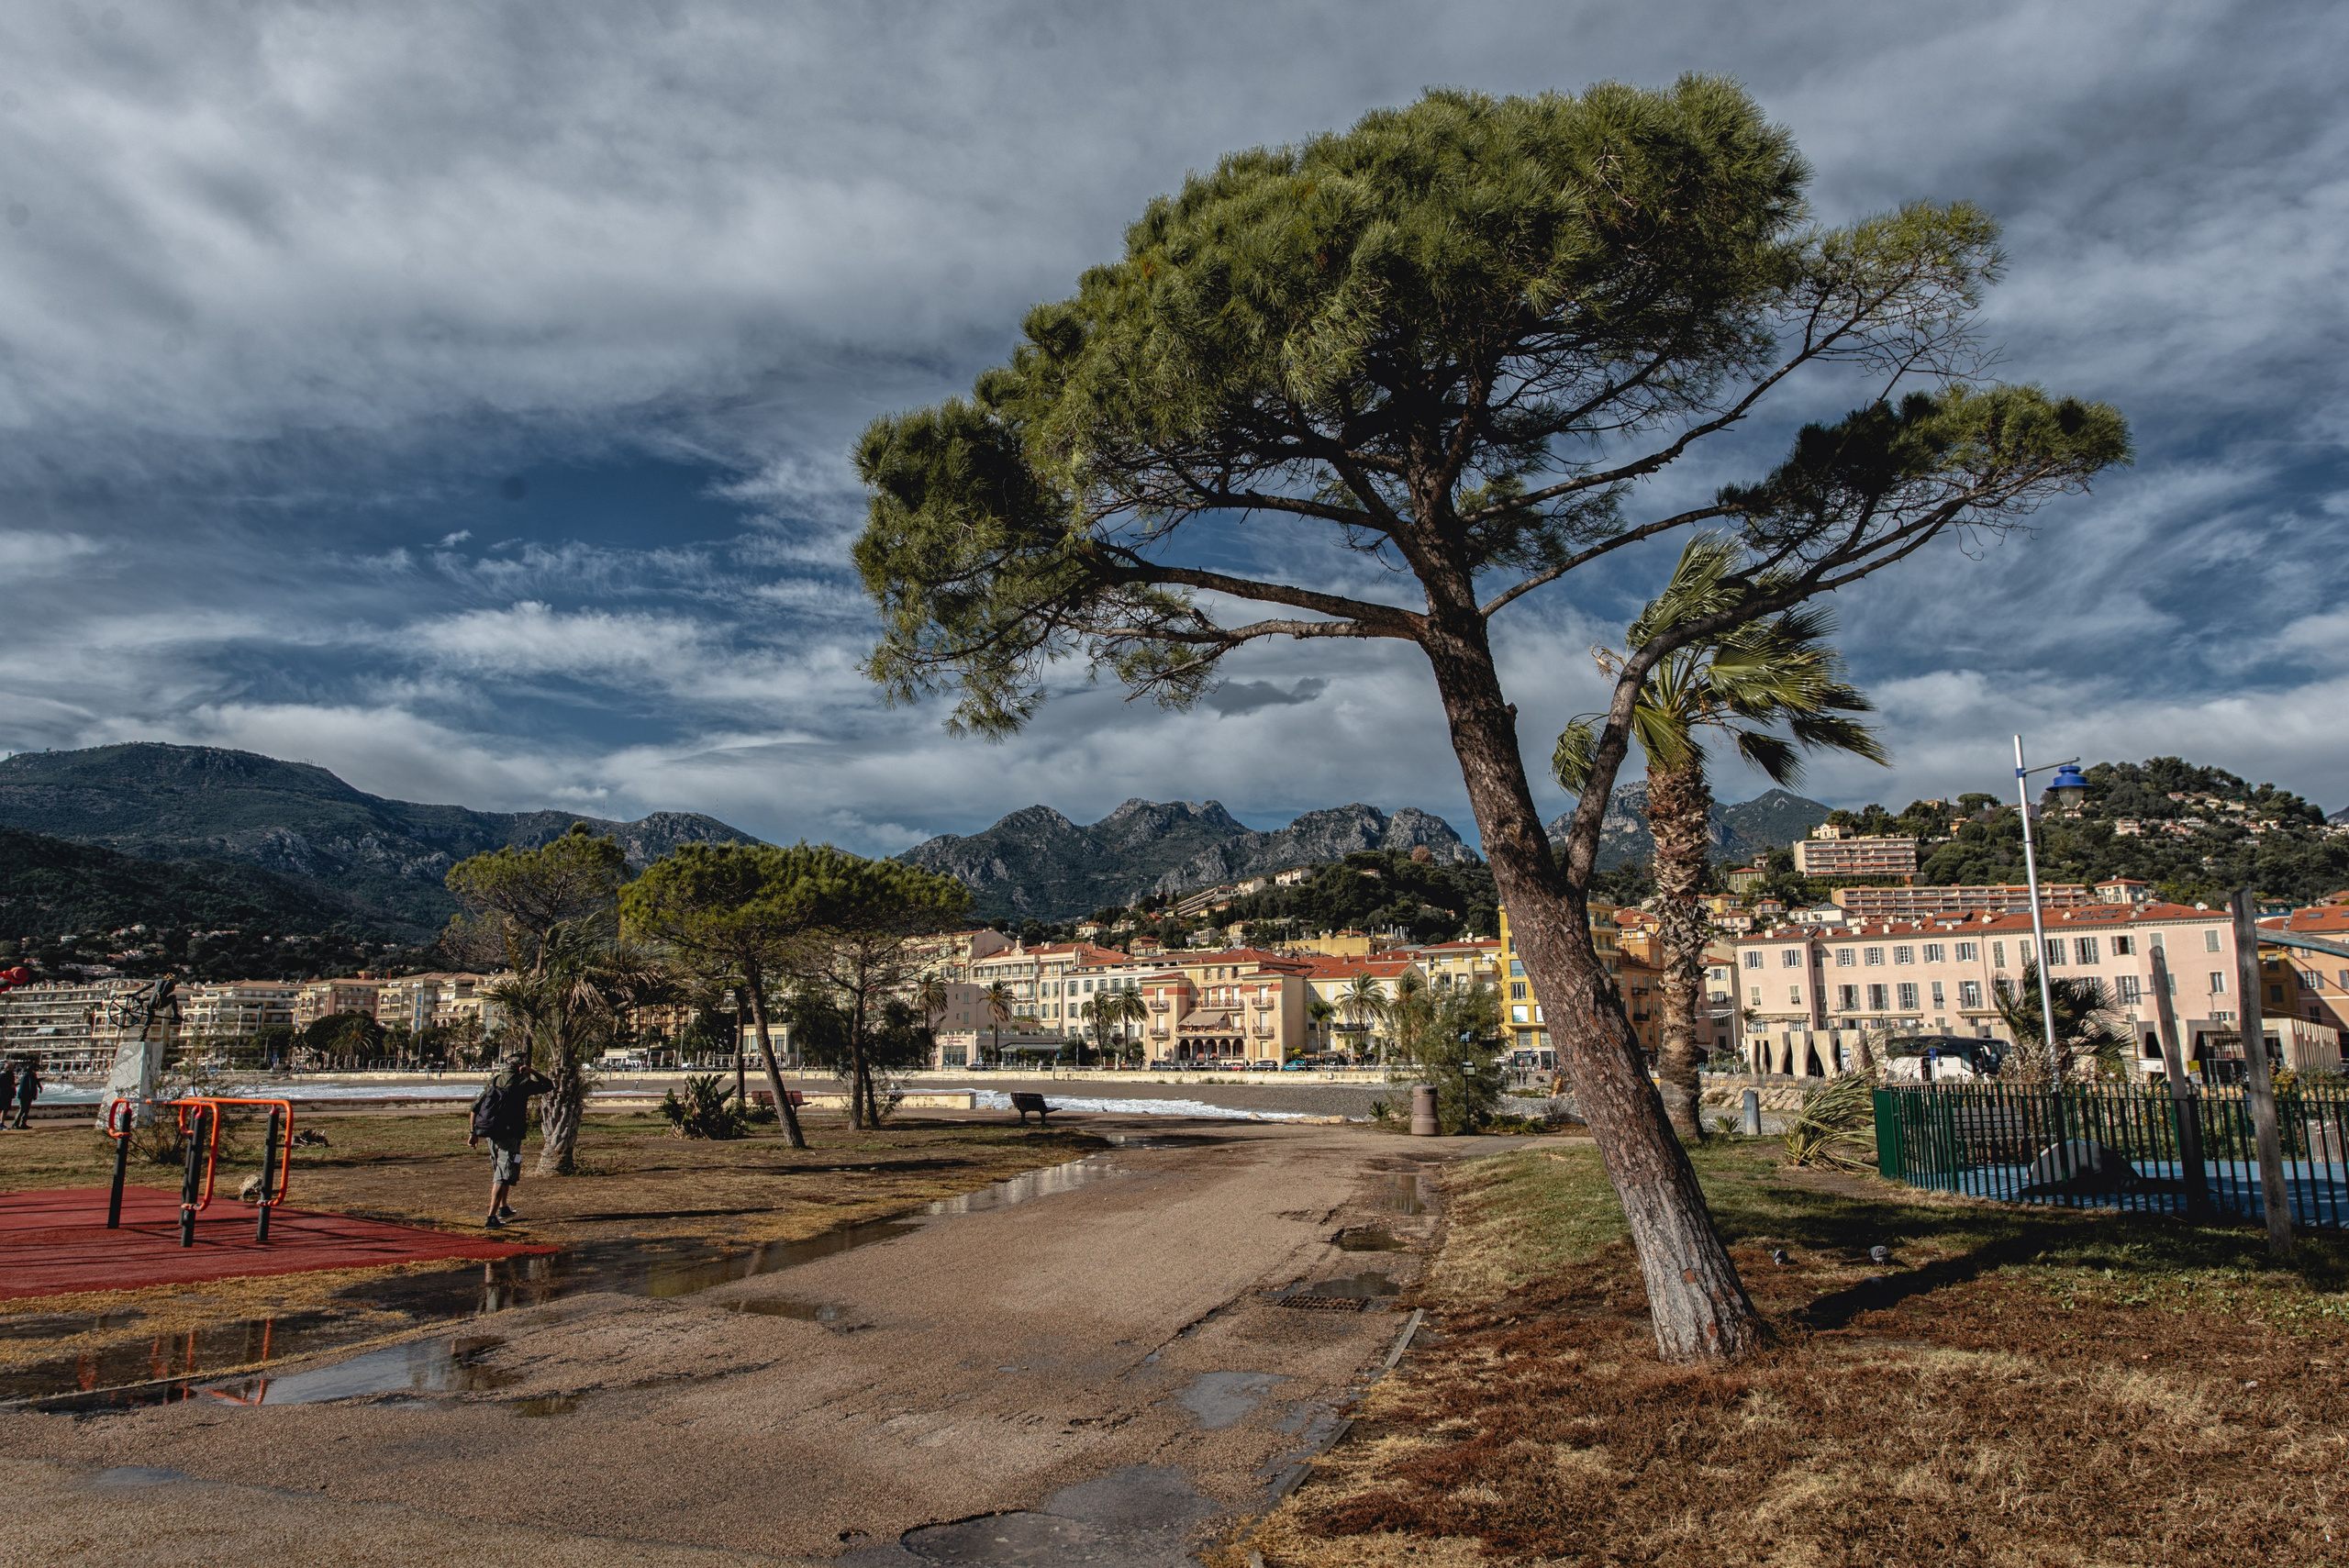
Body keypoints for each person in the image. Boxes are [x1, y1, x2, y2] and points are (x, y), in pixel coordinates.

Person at [467, 1050, 551, 1229]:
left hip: (490, 1133)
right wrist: (533, 1072)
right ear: (520, 1066)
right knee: (502, 1174)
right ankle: (491, 1218)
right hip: (509, 1134)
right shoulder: (522, 1082)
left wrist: (472, 1133)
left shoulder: (494, 1081)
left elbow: (475, 1108)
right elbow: (548, 1085)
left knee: (502, 1170)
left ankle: (503, 1207)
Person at [11, 1059, 39, 1129]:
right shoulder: (26, 1076)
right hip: (23, 1096)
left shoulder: (33, 1076)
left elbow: (35, 1085)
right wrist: (25, 1095)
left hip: (29, 1096)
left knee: (26, 1111)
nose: (35, 1071)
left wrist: (34, 1094)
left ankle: (23, 1124)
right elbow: (23, 1087)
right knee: (22, 1110)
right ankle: (15, 1124)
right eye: (35, 1070)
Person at [0, 1062, 15, 1128]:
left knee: (5, 1109)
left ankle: (2, 1123)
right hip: (4, 1093)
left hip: (7, 1093)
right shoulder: (4, 1074)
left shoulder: (9, 1074)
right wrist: (11, 1086)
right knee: (3, 1109)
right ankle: (1, 1123)